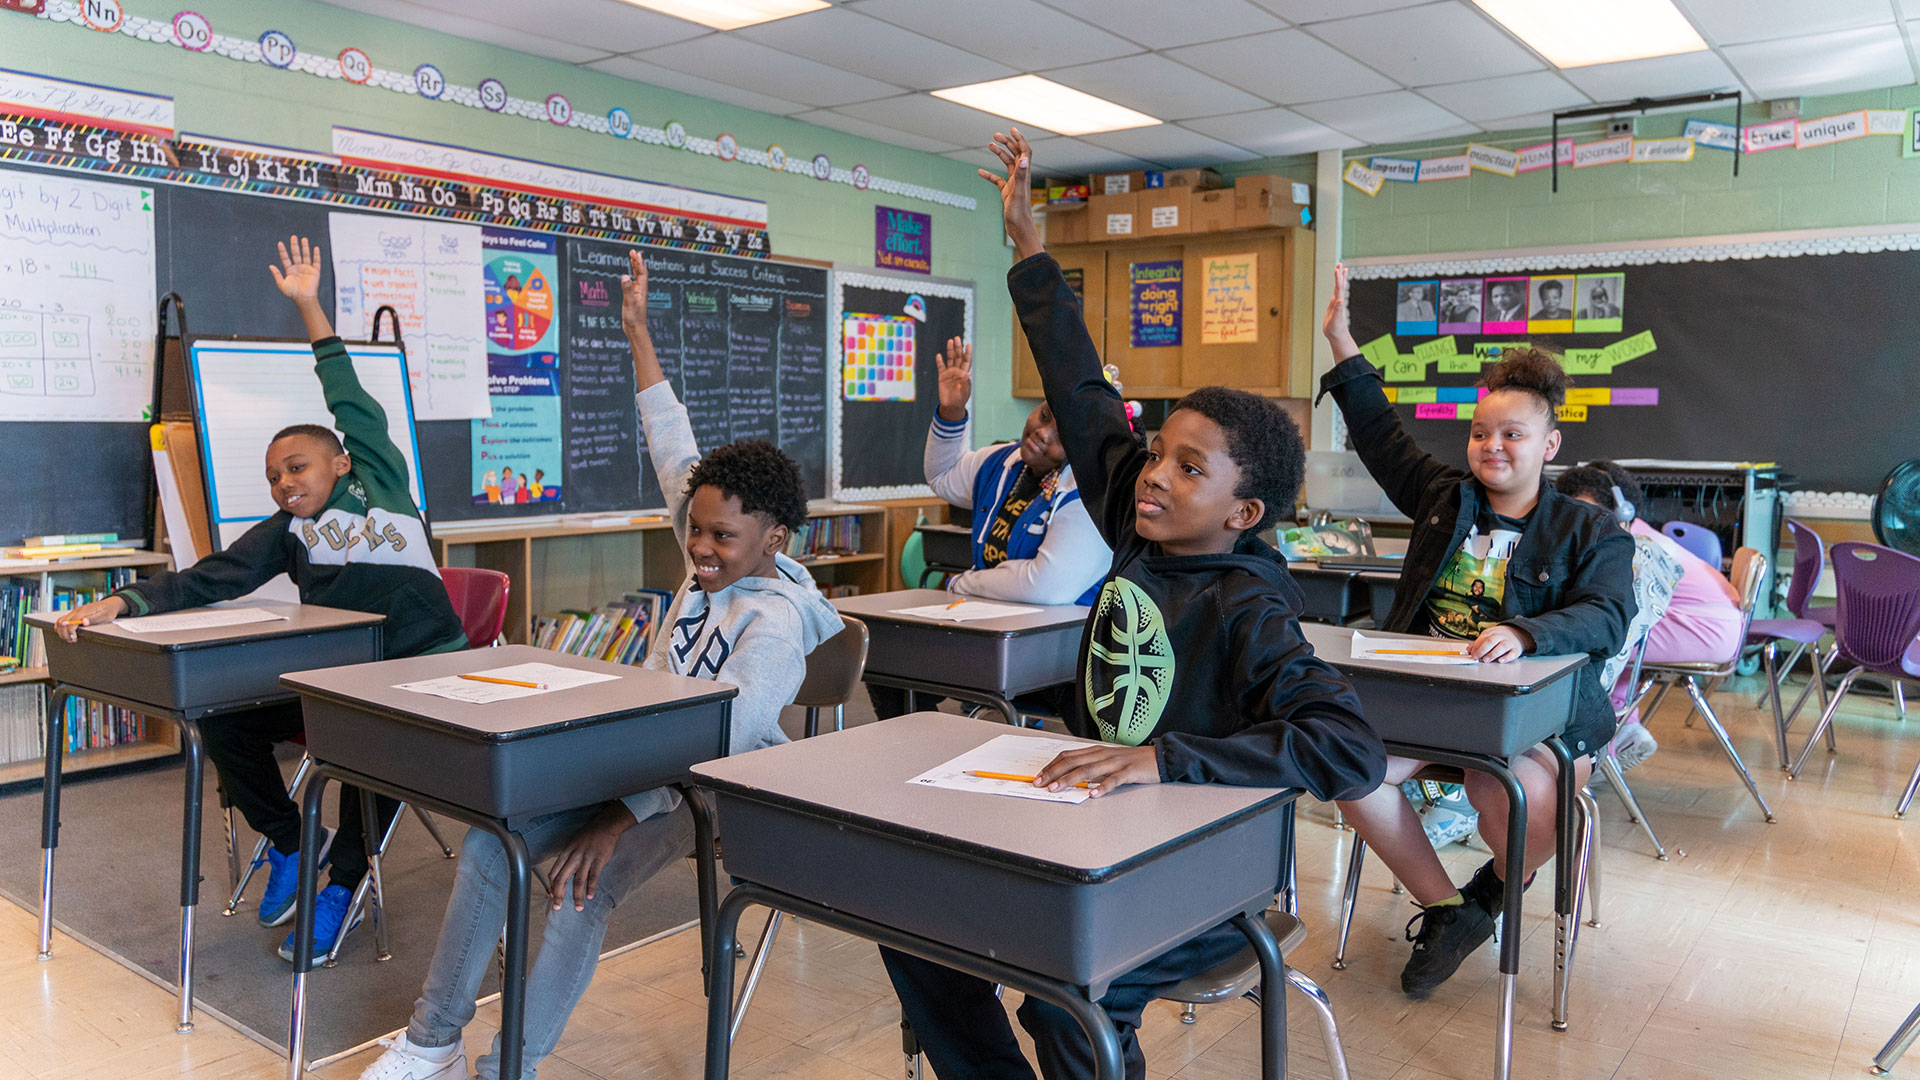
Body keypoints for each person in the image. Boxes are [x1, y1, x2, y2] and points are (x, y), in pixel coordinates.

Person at [876, 127, 1387, 1080]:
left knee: (1074, 992)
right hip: (1086, 841)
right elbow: (1082, 393)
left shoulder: (1248, 604)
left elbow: (1349, 748)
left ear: (1243, 510)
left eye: (1188, 469)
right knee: (913, 918)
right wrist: (1030, 250)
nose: (1153, 477)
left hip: (1201, 882)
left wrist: (1162, 759)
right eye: (1158, 454)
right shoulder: (1134, 525)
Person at [357, 248, 842, 1080]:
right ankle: (433, 1042)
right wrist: (635, 330)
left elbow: (728, 733)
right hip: (631, 760)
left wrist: (618, 812)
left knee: (578, 888)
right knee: (488, 845)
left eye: (722, 537)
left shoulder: (775, 626)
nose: (700, 547)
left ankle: (514, 1064)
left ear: (775, 539)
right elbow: (670, 439)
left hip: (705, 791)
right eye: (695, 528)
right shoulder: (709, 551)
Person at [54, 235, 469, 963]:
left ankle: (341, 889)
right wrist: (122, 603)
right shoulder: (288, 533)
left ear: (340, 462)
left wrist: (309, 305)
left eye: (298, 467)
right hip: (343, 679)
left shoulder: (383, 486)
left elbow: (349, 397)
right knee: (223, 718)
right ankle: (290, 839)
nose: (284, 482)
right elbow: (205, 579)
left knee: (368, 743)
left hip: (423, 674)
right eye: (274, 474)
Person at [1319, 263, 1634, 998]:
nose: (1493, 446)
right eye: (1481, 432)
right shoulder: (1442, 498)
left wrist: (1526, 633)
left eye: (1513, 434)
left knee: (1516, 803)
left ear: (1549, 446)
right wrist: (1340, 338)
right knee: (1348, 770)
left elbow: (1608, 616)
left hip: (1540, 718)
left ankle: (1493, 891)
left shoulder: (1589, 529)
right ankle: (1449, 909)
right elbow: (1377, 433)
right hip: (1430, 704)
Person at [868, 335, 1112, 719]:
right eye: (1045, 415)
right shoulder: (1004, 461)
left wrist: (966, 582)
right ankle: (913, 747)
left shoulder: (1090, 489)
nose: (1042, 433)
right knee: (891, 655)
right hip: (988, 625)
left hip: (1060, 647)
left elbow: (1047, 586)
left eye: (1062, 437)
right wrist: (952, 413)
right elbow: (944, 476)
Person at [1556, 461, 1740, 770]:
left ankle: (1603, 743)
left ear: (1621, 510)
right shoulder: (1631, 531)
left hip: (1706, 628)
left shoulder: (1637, 548)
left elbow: (1622, 626)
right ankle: (1627, 728)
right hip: (1712, 621)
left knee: (1602, 640)